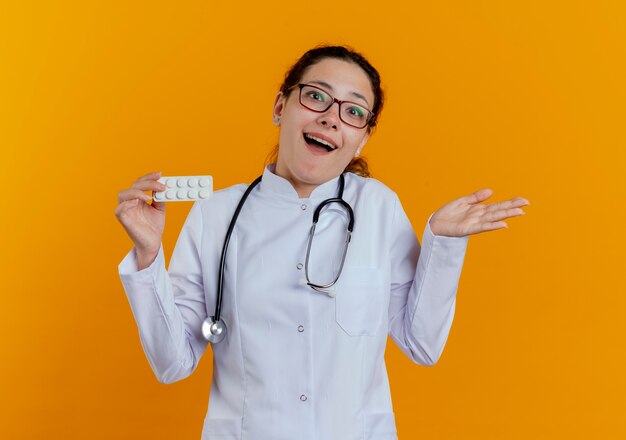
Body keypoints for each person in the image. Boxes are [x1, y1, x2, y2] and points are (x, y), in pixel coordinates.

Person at [115, 45, 530, 440]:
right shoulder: (215, 216)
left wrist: (442, 244)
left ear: (362, 139)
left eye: (353, 111)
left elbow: (421, 344)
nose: (332, 118)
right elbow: (173, 363)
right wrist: (148, 256)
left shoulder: (378, 208)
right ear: (281, 107)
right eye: (316, 96)